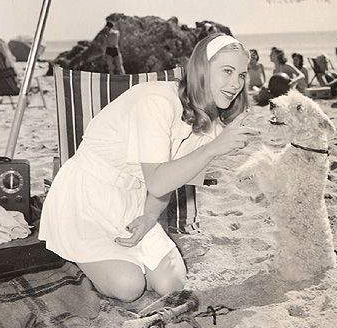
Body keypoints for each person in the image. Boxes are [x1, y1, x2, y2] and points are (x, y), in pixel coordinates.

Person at [39, 33, 256, 302]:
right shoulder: (157, 102)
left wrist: (149, 219)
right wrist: (213, 148)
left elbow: (169, 180)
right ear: (202, 69)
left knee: (171, 285)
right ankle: (76, 251)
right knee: (129, 287)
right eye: (227, 71)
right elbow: (157, 181)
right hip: (86, 198)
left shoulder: (209, 122)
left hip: (132, 202)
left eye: (242, 75)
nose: (236, 83)